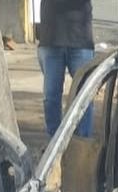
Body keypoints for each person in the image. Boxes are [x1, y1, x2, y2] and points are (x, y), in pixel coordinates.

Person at [37, 0, 95, 138]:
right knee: (50, 97)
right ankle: (55, 147)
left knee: (85, 95)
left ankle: (82, 146)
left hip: (80, 38)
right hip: (50, 37)